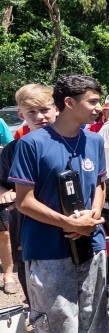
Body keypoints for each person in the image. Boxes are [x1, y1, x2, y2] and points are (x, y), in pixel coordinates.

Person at [10, 74, 109, 333]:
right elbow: (24, 201)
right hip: (47, 250)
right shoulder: (32, 144)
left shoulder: (94, 140)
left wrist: (93, 215)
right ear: (69, 103)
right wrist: (68, 223)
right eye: (92, 101)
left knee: (93, 316)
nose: (98, 108)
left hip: (91, 244)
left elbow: (100, 185)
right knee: (57, 321)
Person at [0, 85, 59, 298]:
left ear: (56, 108)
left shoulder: (72, 142)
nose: (39, 116)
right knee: (32, 281)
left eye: (44, 110)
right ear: (20, 114)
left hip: (65, 226)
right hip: (27, 228)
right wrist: (5, 193)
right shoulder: (13, 149)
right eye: (31, 112)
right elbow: (2, 183)